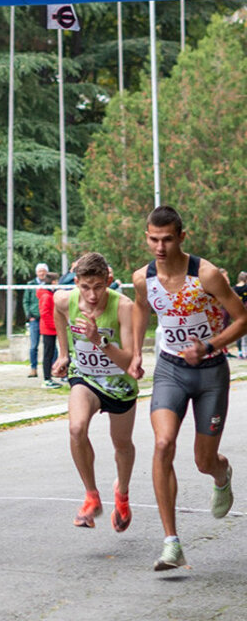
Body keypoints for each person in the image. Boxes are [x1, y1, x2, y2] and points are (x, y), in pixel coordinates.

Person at [128, 206, 245, 570]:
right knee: (163, 443)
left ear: (181, 236)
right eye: (153, 240)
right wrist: (136, 352)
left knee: (203, 460)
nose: (160, 248)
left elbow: (242, 319)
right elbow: (141, 309)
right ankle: (171, 543)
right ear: (147, 237)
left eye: (167, 239)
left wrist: (208, 346)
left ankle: (221, 474)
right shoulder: (143, 278)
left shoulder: (206, 275)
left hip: (210, 372)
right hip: (170, 369)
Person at [50, 252, 139, 532]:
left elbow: (128, 361)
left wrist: (98, 340)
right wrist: (63, 354)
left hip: (119, 383)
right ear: (76, 282)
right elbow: (58, 312)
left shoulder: (124, 307)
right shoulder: (64, 299)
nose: (91, 295)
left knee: (122, 444)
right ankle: (91, 496)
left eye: (98, 287)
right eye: (85, 287)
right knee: (76, 428)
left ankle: (122, 494)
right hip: (86, 377)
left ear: (108, 281)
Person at [23, 263, 48, 378]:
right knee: (34, 346)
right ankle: (33, 369)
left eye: (43, 271)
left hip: (46, 319)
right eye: (40, 271)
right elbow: (25, 301)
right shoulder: (30, 285)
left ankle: (53, 368)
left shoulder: (49, 284)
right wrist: (29, 315)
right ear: (36, 273)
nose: (42, 273)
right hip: (34, 319)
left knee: (50, 346)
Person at [39, 273, 60, 388]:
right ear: (53, 282)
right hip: (48, 329)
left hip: (52, 328)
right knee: (48, 354)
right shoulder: (46, 296)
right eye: (56, 281)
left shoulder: (50, 294)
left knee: (51, 353)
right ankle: (46, 379)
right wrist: (55, 325)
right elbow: (44, 313)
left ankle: (50, 377)